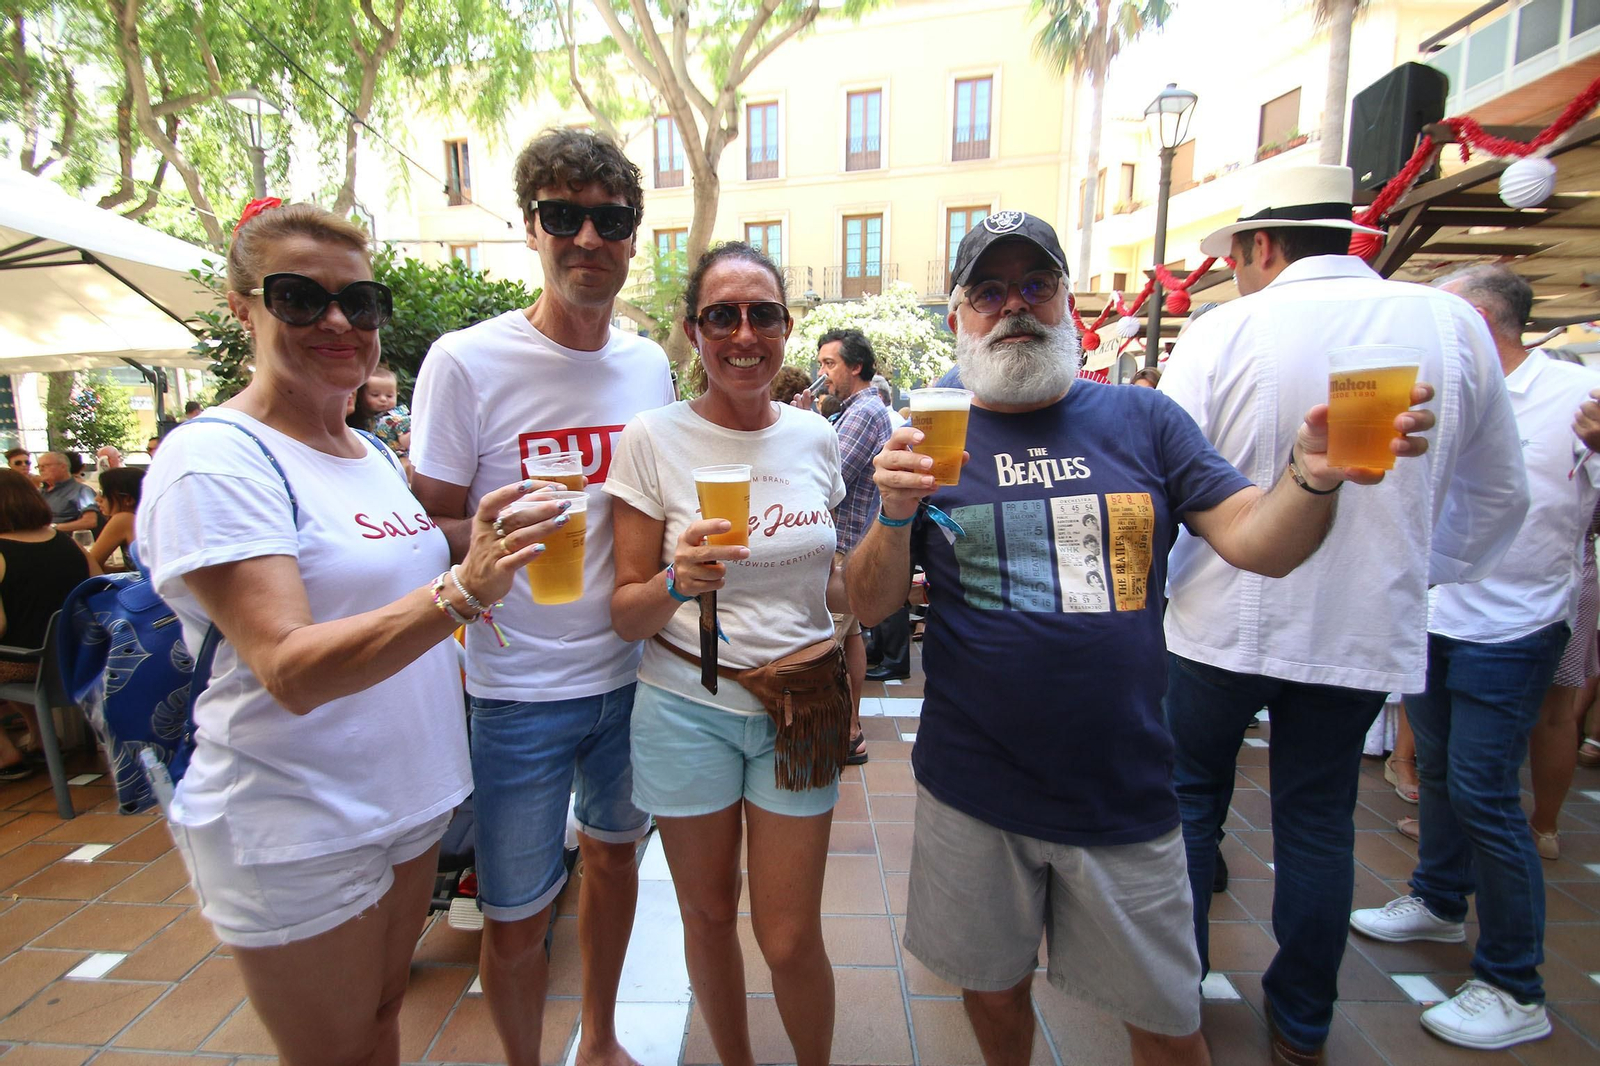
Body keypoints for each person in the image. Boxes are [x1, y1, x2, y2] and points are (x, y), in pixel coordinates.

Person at [846, 210, 1438, 1066]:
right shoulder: (929, 441)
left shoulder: (1144, 420)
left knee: (1168, 1025)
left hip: (1124, 792)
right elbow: (870, 607)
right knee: (993, 993)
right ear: (957, 320)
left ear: (1069, 308)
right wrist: (896, 514)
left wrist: (1312, 476)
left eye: (1036, 286)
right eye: (988, 292)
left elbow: (1255, 540)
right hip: (971, 789)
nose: (1014, 305)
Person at [137, 199, 556, 1065]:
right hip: (298, 819)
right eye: (300, 297)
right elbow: (287, 666)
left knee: (380, 1022)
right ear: (243, 307)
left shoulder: (364, 454)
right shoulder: (218, 458)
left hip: (407, 801)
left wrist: (483, 529)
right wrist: (462, 593)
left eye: (360, 303)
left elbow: (381, 568)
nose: (337, 321)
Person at [1158, 166, 1528, 1066]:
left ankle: (1177, 999)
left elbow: (1159, 480)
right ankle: (1304, 1023)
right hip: (1360, 622)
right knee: (1318, 820)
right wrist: (1412, 571)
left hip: (1217, 615)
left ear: (1259, 246)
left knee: (1190, 807)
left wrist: (1161, 593)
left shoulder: (1223, 329)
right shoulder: (1450, 325)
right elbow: (1498, 495)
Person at [410, 127, 673, 1066]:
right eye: (564, 217)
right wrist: (489, 539)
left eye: (610, 220)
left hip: (633, 677)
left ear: (634, 236)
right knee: (514, 912)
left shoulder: (646, 365)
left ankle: (599, 1042)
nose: (588, 239)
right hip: (516, 693)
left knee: (612, 861)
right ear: (531, 227)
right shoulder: (465, 361)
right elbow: (427, 523)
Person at [606, 241, 846, 1066]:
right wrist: (676, 581)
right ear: (692, 331)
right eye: (722, 316)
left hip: (800, 708)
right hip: (683, 707)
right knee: (708, 915)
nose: (745, 334)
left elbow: (836, 585)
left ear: (786, 325)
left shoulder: (816, 437)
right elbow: (624, 613)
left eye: (764, 314)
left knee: (787, 937)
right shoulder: (651, 438)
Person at [1350, 266, 1600, 1051]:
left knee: (1489, 793)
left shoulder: (1575, 397)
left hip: (1517, 623)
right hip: (1435, 612)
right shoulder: (1441, 393)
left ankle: (1514, 983)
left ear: (1476, 322)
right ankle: (1438, 896)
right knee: (1446, 775)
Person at [811, 328, 891, 760]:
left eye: (829, 364)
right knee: (852, 637)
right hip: (850, 546)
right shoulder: (854, 410)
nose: (822, 375)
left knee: (829, 645)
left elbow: (824, 477)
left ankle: (839, 734)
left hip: (843, 548)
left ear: (855, 367)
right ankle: (851, 728)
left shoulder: (863, 411)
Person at [0, 468, 91, 779]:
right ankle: (42, 738)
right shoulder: (69, 544)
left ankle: (5, 755)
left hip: (29, 665)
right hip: (78, 658)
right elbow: (100, 591)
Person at [1530, 500, 1600, 859]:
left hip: (1505, 567)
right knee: (1556, 713)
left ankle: (1461, 826)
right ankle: (1545, 828)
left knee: (1470, 702)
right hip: (1572, 565)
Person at [87, 467, 143, 572]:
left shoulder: (124, 519)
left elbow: (89, 565)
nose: (97, 499)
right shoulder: (146, 519)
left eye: (102, 492)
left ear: (128, 499)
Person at [36, 452, 99, 534]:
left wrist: (53, 528)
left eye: (45, 466)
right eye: (39, 466)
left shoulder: (82, 491)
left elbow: (90, 521)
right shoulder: (39, 493)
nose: (41, 470)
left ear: (63, 467)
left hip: (63, 539)